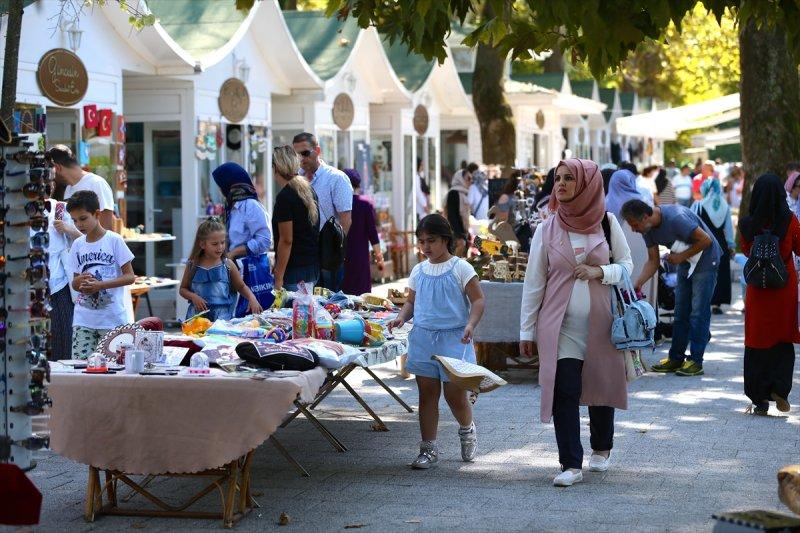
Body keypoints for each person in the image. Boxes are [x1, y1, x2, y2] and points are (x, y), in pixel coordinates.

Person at [519, 158, 632, 487]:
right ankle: (570, 463)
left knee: (601, 386)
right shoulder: (546, 229)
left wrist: (600, 271)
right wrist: (526, 330)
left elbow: (627, 266)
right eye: (558, 178)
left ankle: (602, 447)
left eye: (569, 178)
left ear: (587, 184)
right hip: (561, 328)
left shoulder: (607, 223)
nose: (561, 184)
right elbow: (534, 283)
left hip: (603, 325)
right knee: (564, 389)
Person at [387, 214, 485, 469]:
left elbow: (478, 300)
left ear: (445, 239)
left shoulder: (461, 268)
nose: (425, 246)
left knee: (455, 396)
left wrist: (470, 325)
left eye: (431, 240)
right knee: (427, 395)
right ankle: (428, 449)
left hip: (454, 340)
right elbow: (411, 301)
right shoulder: (418, 270)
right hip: (423, 340)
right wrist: (401, 317)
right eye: (421, 241)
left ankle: (467, 429)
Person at [620, 200, 721, 376]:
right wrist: (638, 283)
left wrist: (680, 257)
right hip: (686, 261)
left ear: (645, 217)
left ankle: (696, 361)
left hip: (706, 261)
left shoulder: (676, 218)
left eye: (634, 225)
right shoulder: (647, 230)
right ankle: (676, 358)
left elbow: (706, 240)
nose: (633, 230)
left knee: (698, 313)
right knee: (680, 312)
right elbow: (653, 261)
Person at [739, 174, 800, 415]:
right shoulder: (790, 220)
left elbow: (746, 251)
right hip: (784, 286)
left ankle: (759, 399)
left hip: (758, 287)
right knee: (782, 337)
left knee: (757, 338)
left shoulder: (747, 224)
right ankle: (780, 389)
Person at [66, 191, 136, 358]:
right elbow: (74, 283)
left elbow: (130, 277)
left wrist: (101, 285)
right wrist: (79, 282)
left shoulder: (114, 240)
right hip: (83, 320)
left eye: (83, 218)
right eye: (74, 220)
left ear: (97, 214)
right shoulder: (77, 244)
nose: (79, 225)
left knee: (112, 367)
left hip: (112, 320)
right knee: (81, 367)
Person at [292, 132, 352, 290]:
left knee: (328, 300)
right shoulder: (296, 180)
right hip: (303, 254)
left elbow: (346, 220)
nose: (301, 158)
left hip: (328, 254)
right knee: (304, 301)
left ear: (317, 151)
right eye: (296, 155)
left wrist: (336, 252)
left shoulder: (336, 178)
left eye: (305, 153)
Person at [212, 162, 273, 312]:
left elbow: (264, 240)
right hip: (231, 272)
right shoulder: (231, 207)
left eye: (220, 185)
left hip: (249, 272)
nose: (219, 190)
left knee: (248, 317)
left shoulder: (250, 206)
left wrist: (234, 253)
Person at [180, 218, 262, 321]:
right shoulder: (192, 265)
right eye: (214, 244)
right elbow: (183, 289)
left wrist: (252, 298)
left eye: (222, 242)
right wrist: (193, 297)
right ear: (202, 244)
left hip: (222, 320)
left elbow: (241, 287)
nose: (220, 247)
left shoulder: (228, 265)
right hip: (196, 319)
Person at [270, 145, 321, 292]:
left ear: (275, 168)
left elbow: (287, 240)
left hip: (294, 270)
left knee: (293, 307)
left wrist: (278, 275)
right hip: (311, 265)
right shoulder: (308, 190)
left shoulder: (285, 197)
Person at [606, 169, 658, 310]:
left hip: (619, 251)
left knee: (623, 286)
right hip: (645, 248)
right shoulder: (641, 200)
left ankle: (623, 317)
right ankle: (646, 316)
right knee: (643, 288)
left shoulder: (606, 201)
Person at [43, 194, 82, 359]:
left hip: (58, 285)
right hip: (25, 288)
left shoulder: (60, 209)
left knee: (64, 338)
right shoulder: (15, 212)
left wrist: (69, 229)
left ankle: (62, 374)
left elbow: (86, 239)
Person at [48, 144, 115, 230]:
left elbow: (106, 228)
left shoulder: (97, 183)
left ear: (57, 168)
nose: (49, 177)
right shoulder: (67, 188)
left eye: (49, 172)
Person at [692, 179, 734, 314]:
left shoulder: (699, 205)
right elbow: (729, 228)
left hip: (704, 241)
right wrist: (730, 245)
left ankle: (703, 301)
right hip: (721, 242)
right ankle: (717, 303)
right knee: (720, 272)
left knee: (704, 271)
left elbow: (692, 223)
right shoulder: (724, 205)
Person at [341, 168, 384, 295]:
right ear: (358, 185)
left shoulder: (339, 202)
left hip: (341, 255)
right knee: (362, 296)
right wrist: (379, 256)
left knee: (343, 294)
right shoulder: (365, 203)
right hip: (361, 256)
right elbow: (372, 233)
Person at [445, 168, 473, 257]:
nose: (471, 181)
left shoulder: (463, 193)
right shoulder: (453, 193)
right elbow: (452, 216)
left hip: (462, 232)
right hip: (455, 233)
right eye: (468, 178)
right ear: (460, 179)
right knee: (455, 258)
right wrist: (459, 235)